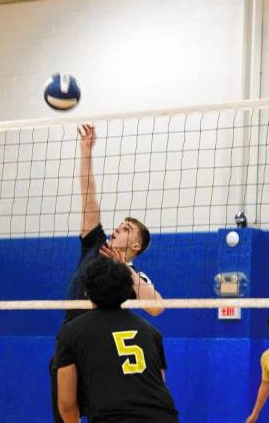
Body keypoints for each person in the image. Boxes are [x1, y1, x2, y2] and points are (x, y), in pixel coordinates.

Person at [51, 123, 165, 422]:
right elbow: (88, 196)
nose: (117, 230)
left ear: (137, 245)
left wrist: (124, 269)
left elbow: (156, 307)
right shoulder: (94, 245)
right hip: (72, 337)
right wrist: (86, 151)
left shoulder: (131, 275)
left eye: (126, 229)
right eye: (118, 226)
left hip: (102, 350)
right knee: (66, 412)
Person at [55, 257, 178, 423]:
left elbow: (67, 403)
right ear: (128, 291)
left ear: (87, 291)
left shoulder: (70, 332)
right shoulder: (151, 331)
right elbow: (160, 383)